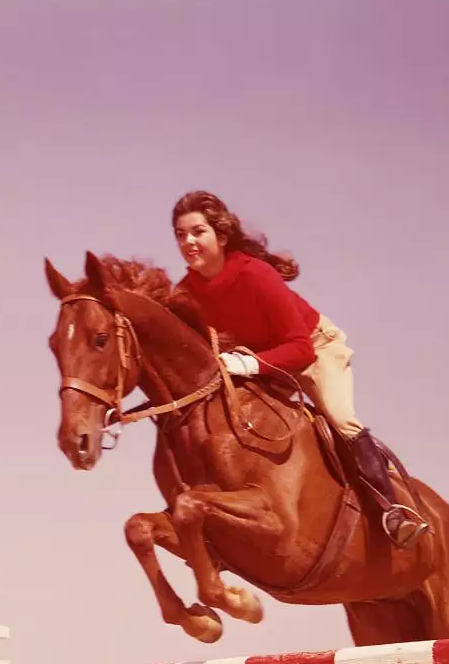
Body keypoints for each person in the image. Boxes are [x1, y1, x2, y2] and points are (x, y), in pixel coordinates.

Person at [170, 189, 429, 549]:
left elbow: (300, 347)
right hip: (260, 362)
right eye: (181, 234)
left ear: (222, 236)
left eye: (198, 232)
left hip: (314, 349)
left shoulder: (255, 274)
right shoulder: (185, 291)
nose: (188, 242)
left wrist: (249, 363)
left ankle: (394, 513)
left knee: (341, 419)